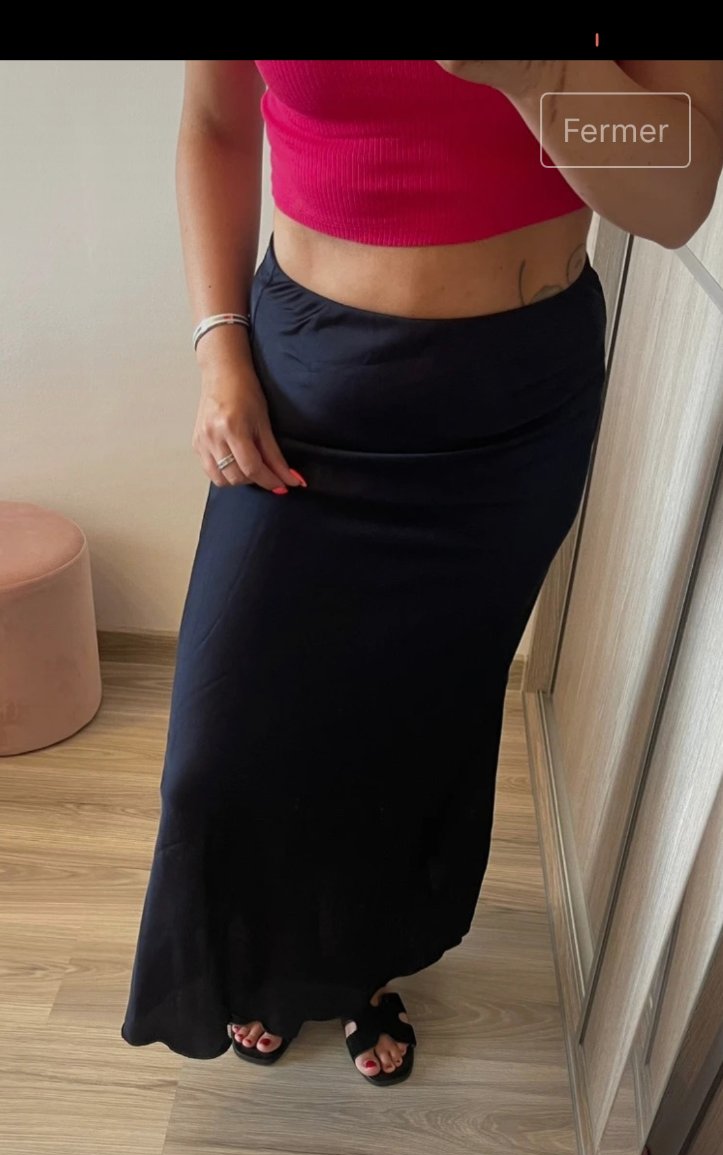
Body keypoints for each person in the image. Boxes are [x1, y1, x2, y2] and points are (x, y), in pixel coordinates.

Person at [122, 59, 722, 1082]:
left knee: (409, 726)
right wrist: (218, 345)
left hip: (508, 416)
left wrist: (536, 74)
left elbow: (676, 194)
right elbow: (216, 123)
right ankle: (263, 959)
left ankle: (351, 969)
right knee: (222, 752)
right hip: (306, 386)